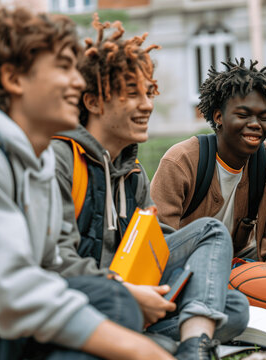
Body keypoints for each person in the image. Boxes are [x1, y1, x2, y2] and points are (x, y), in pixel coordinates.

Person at [0, 7, 173, 360]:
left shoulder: (37, 158)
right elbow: (11, 297)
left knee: (111, 302)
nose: (78, 81)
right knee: (115, 306)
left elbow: (53, 266)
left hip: (14, 329)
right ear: (14, 79)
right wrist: (136, 348)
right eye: (63, 67)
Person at [51, 16, 248, 359]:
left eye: (149, 92)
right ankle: (178, 344)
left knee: (232, 303)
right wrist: (125, 292)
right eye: (132, 94)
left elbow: (159, 245)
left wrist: (200, 274)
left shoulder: (132, 172)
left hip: (137, 293)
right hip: (90, 299)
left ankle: (186, 346)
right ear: (93, 102)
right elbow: (56, 259)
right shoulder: (62, 159)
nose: (147, 105)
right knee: (209, 288)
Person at [150, 58, 266, 305]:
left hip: (241, 259)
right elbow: (159, 242)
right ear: (218, 116)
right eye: (243, 115)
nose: (255, 125)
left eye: (264, 117)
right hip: (187, 264)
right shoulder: (181, 160)